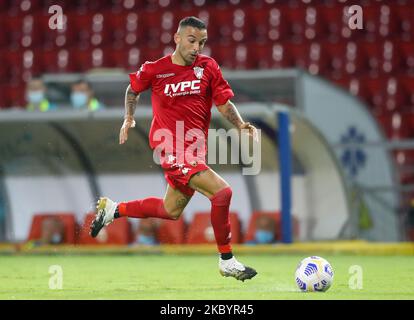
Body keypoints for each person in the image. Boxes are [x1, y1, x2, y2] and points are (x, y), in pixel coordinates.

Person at [90, 16, 258, 282]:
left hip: (194, 150)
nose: (196, 48)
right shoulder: (156, 69)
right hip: (169, 147)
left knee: (171, 210)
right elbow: (132, 90)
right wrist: (128, 118)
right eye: (192, 41)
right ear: (177, 38)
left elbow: (223, 102)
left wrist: (240, 124)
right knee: (223, 192)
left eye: (202, 42)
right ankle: (227, 259)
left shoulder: (208, 67)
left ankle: (114, 209)